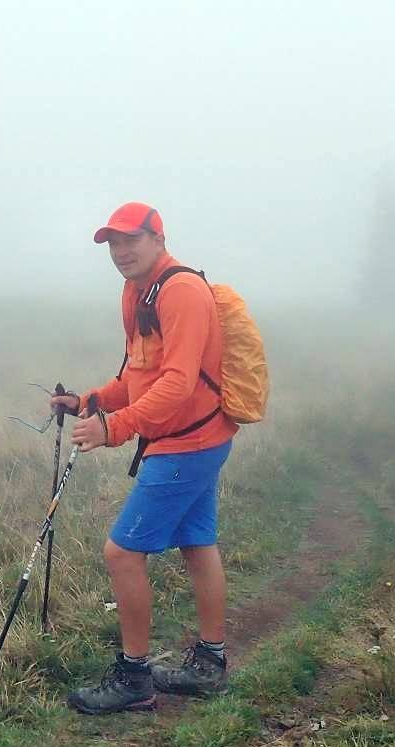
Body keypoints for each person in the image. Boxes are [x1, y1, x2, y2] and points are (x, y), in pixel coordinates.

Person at [50, 202, 238, 714]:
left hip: (187, 442)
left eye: (130, 239)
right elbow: (136, 377)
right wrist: (90, 401)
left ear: (158, 238)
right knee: (197, 543)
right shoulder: (138, 292)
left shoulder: (180, 291)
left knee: (122, 554)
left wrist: (114, 428)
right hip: (193, 438)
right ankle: (209, 665)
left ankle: (134, 677)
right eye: (112, 242)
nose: (120, 251)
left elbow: (177, 383)